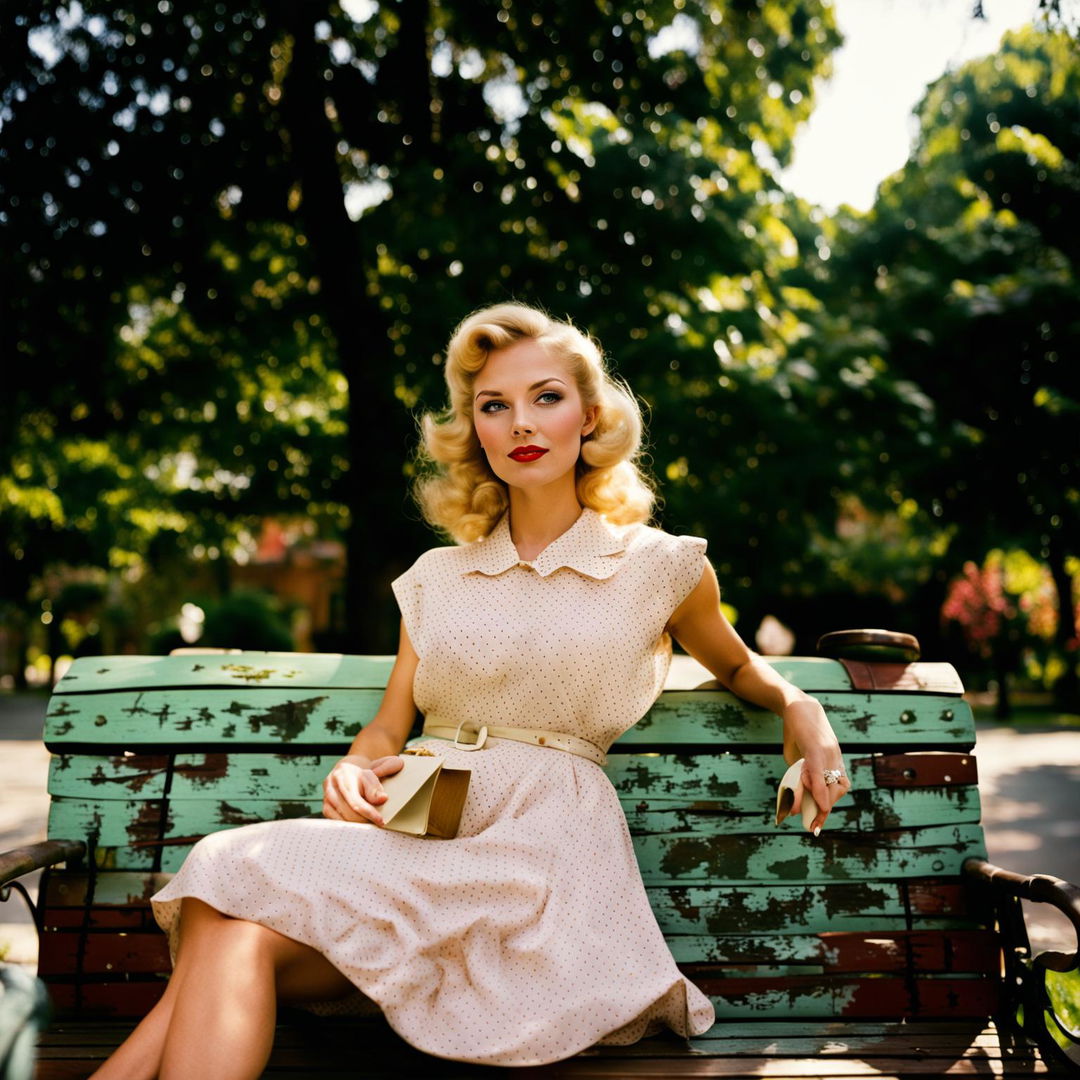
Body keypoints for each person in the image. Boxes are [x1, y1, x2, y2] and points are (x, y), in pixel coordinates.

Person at [90, 301, 849, 1079]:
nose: (521, 422)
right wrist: (353, 770)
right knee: (232, 907)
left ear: (589, 416)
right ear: (476, 431)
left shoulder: (659, 566)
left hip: (543, 862)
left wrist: (803, 705)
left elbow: (736, 665)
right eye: (495, 406)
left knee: (225, 895)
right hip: (416, 832)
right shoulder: (435, 579)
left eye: (545, 397)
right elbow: (390, 727)